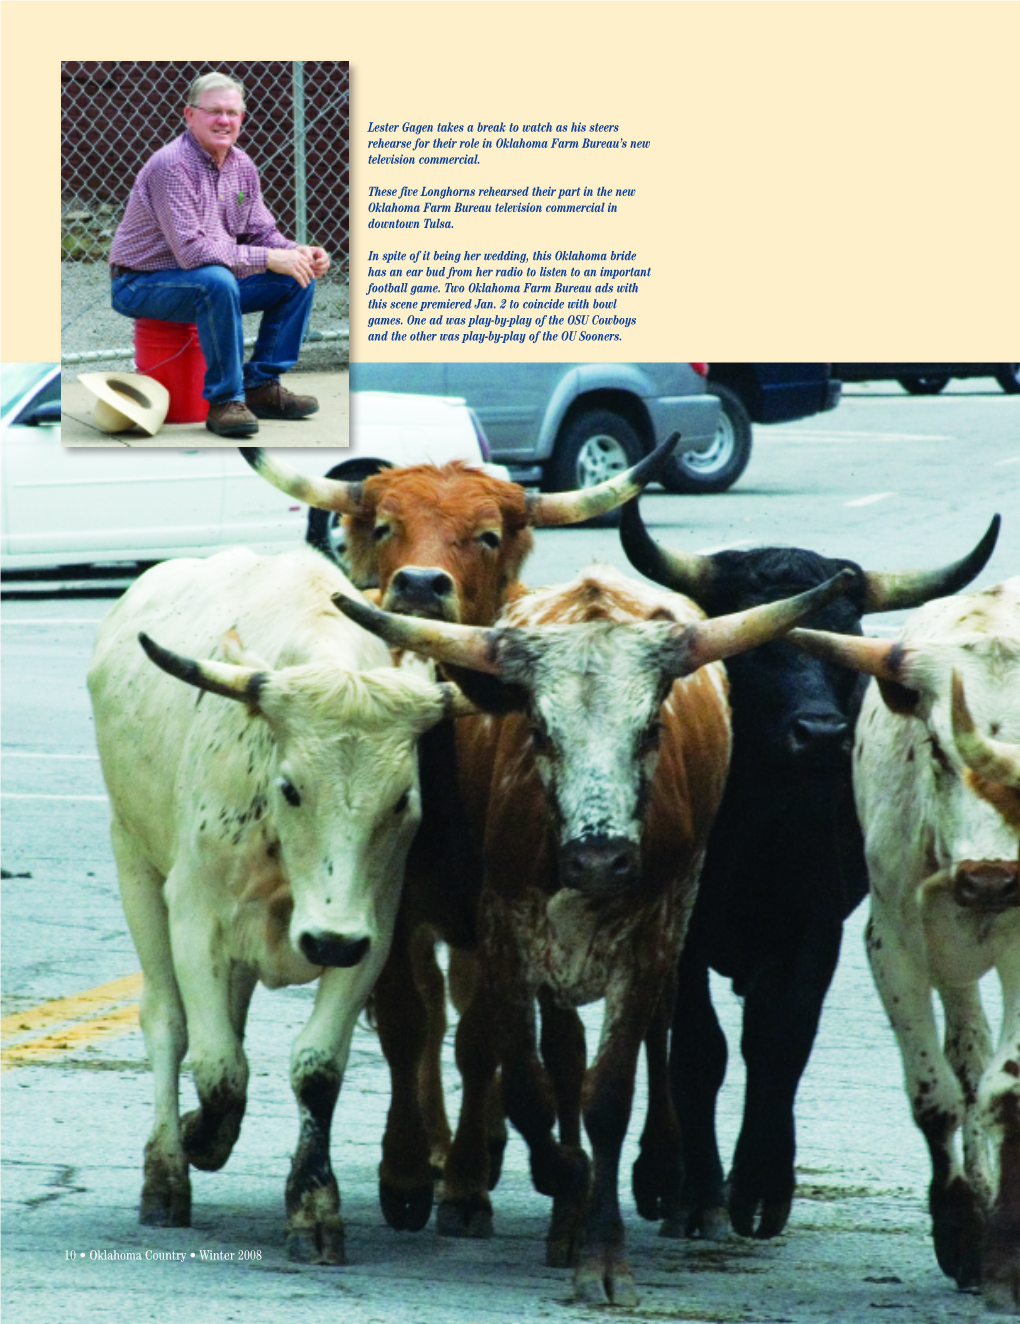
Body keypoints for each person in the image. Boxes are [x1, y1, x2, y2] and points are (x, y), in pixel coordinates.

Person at [108, 72, 331, 438]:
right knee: (216, 280)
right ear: (189, 115)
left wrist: (298, 252)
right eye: (213, 111)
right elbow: (192, 252)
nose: (223, 120)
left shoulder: (242, 167)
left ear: (242, 117)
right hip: (138, 283)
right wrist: (267, 259)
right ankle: (226, 400)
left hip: (204, 281)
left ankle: (260, 385)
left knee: (295, 275)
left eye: (232, 112)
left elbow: (261, 231)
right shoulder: (172, 166)